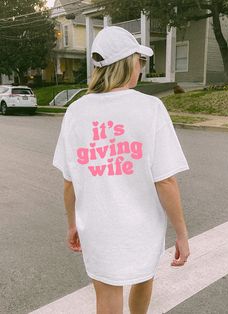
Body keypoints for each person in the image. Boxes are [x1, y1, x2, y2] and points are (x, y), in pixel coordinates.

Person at [52, 26, 190, 314]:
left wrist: (72, 224)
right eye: (140, 60)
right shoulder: (150, 108)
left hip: (98, 227)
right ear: (128, 63)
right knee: (143, 278)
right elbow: (165, 181)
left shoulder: (76, 112)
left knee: (106, 295)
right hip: (142, 227)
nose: (140, 67)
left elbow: (69, 181)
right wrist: (182, 233)